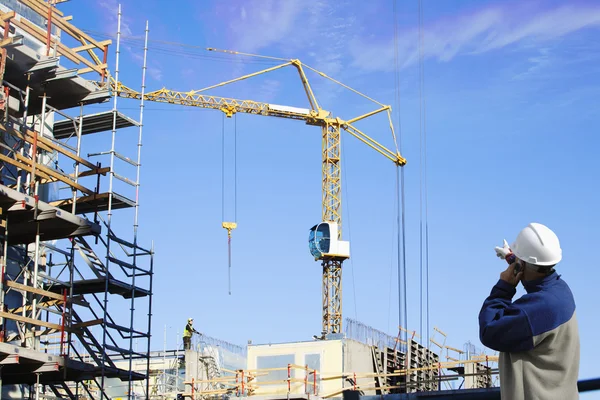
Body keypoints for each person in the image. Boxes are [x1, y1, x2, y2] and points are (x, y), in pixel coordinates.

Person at [479, 222, 579, 400]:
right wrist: (512, 258)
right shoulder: (560, 291)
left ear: (523, 265)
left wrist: (503, 288)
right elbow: (534, 276)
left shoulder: (534, 311)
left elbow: (489, 330)